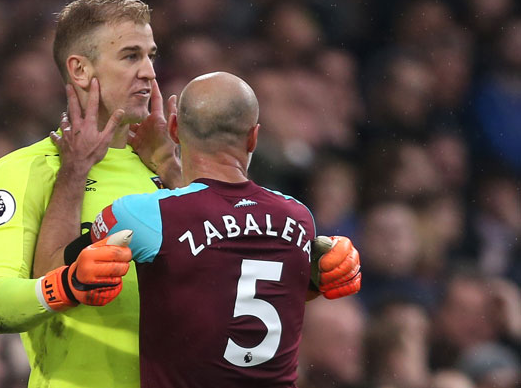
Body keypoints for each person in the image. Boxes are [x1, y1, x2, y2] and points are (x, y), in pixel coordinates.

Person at [0, 0, 359, 388]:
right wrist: (68, 280)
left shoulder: (167, 167)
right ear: (79, 69)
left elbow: (224, 275)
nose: (148, 72)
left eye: (151, 55)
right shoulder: (27, 169)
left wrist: (312, 276)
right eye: (130, 56)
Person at [64, 72, 361, 387]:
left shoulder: (144, 214)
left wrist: (75, 168)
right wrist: (168, 166)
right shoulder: (299, 217)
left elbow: (64, 264)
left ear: (175, 129)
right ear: (253, 137)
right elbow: (234, 279)